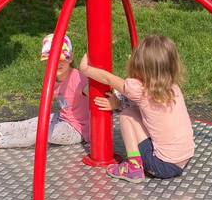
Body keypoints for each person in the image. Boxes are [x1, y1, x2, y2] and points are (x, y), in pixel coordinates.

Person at [80, 34, 194, 183]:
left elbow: (108, 79)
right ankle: (139, 164)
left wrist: (86, 70)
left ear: (139, 65)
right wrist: (118, 103)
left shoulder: (140, 90)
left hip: (162, 165)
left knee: (127, 115)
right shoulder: (173, 87)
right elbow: (143, 107)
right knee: (134, 111)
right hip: (184, 159)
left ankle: (133, 167)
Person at [0, 34, 89, 149]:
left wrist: (102, 97)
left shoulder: (79, 79)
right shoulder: (52, 78)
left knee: (39, 134)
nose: (57, 64)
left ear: (70, 58)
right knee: (23, 125)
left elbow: (92, 92)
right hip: (62, 119)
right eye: (52, 60)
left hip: (77, 130)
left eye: (62, 59)